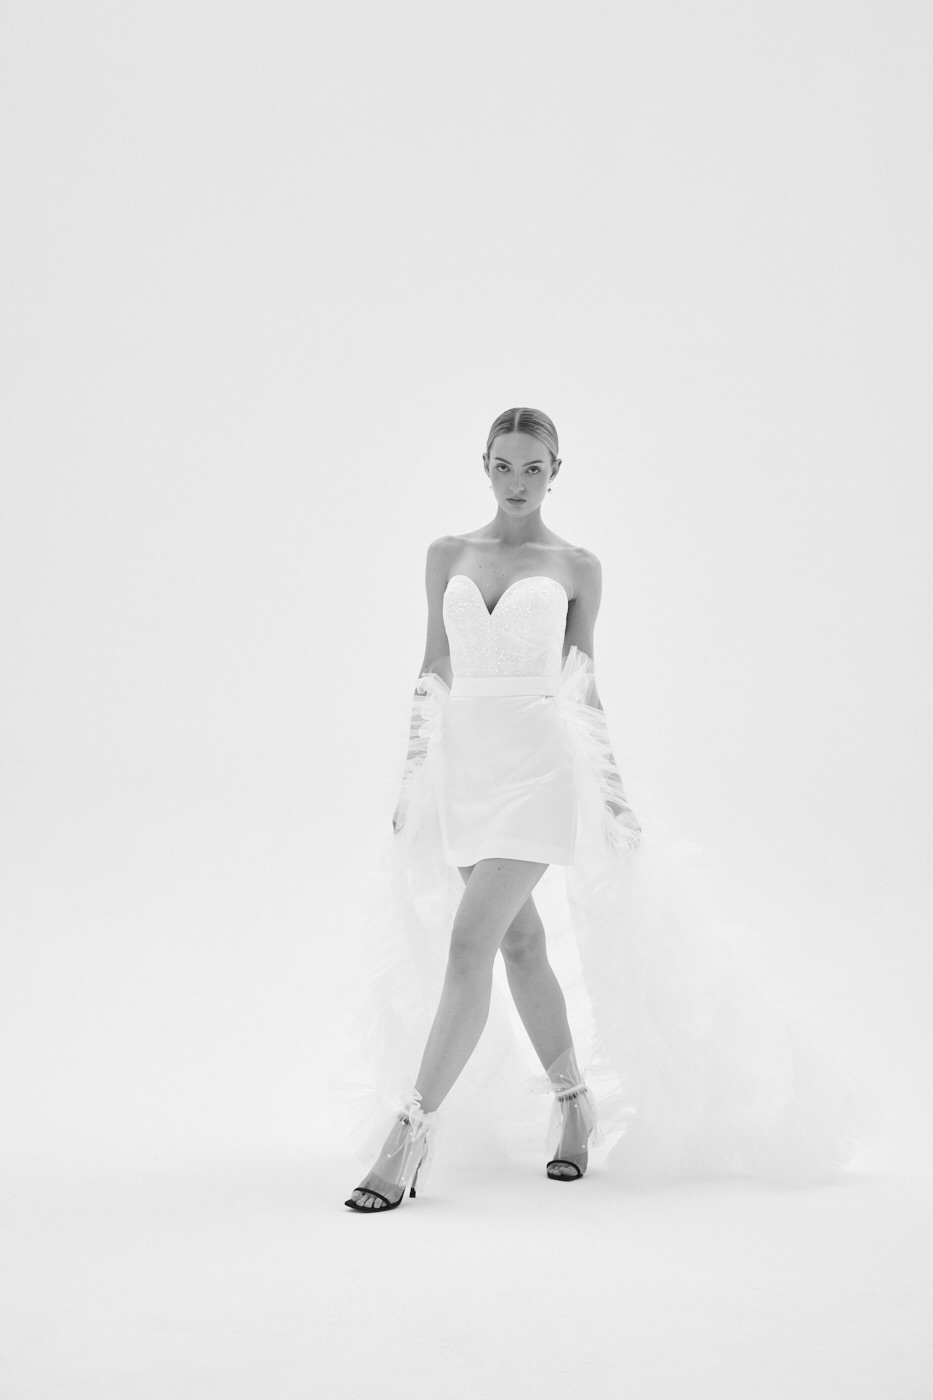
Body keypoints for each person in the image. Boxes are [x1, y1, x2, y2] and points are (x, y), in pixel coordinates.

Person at [340, 407, 862, 1214]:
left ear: (555, 473)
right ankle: (573, 1102)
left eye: (533, 469)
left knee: (470, 941)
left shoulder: (576, 566)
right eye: (504, 466)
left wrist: (612, 796)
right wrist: (414, 775)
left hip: (537, 769)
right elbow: (432, 666)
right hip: (464, 771)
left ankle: (408, 1133)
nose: (517, 483)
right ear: (484, 464)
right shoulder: (446, 553)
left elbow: (583, 685)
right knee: (518, 943)